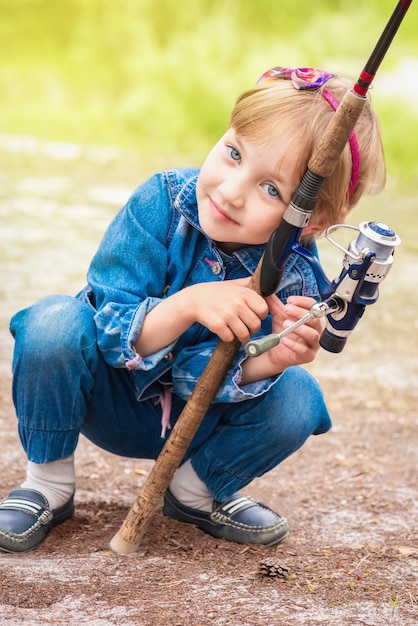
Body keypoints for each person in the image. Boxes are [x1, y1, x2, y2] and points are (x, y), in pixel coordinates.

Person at [0, 66, 385, 553]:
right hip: (110, 397)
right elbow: (110, 333)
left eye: (271, 189)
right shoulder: (160, 201)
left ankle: (194, 492)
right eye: (233, 153)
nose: (230, 190)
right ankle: (48, 485)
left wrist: (272, 359)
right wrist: (188, 305)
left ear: (312, 223)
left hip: (200, 423)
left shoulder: (296, 279)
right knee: (52, 322)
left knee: (300, 398)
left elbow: (200, 376)